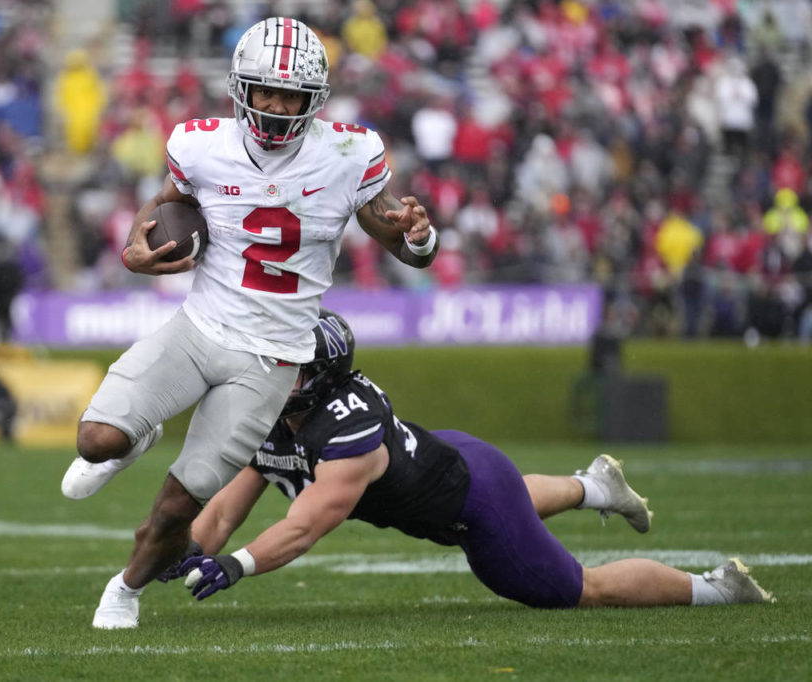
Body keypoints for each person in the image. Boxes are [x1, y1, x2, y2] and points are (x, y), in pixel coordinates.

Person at [65, 17, 439, 629]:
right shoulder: (201, 145)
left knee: (177, 506)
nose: (275, 106)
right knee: (96, 440)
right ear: (241, 88)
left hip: (271, 360)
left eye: (290, 94)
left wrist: (419, 238)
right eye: (265, 90)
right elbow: (166, 203)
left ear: (314, 99)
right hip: (197, 330)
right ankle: (137, 436)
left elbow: (401, 240)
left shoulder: (349, 154)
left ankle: (124, 590)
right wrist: (136, 245)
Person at [148, 310, 773, 612]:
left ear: (321, 378)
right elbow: (227, 505)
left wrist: (235, 565)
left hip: (471, 501)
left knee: (580, 590)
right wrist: (186, 548)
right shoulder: (278, 413)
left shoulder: (345, 430)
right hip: (452, 458)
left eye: (290, 366)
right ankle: (593, 486)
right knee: (512, 494)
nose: (274, 373)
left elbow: (305, 526)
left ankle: (717, 588)